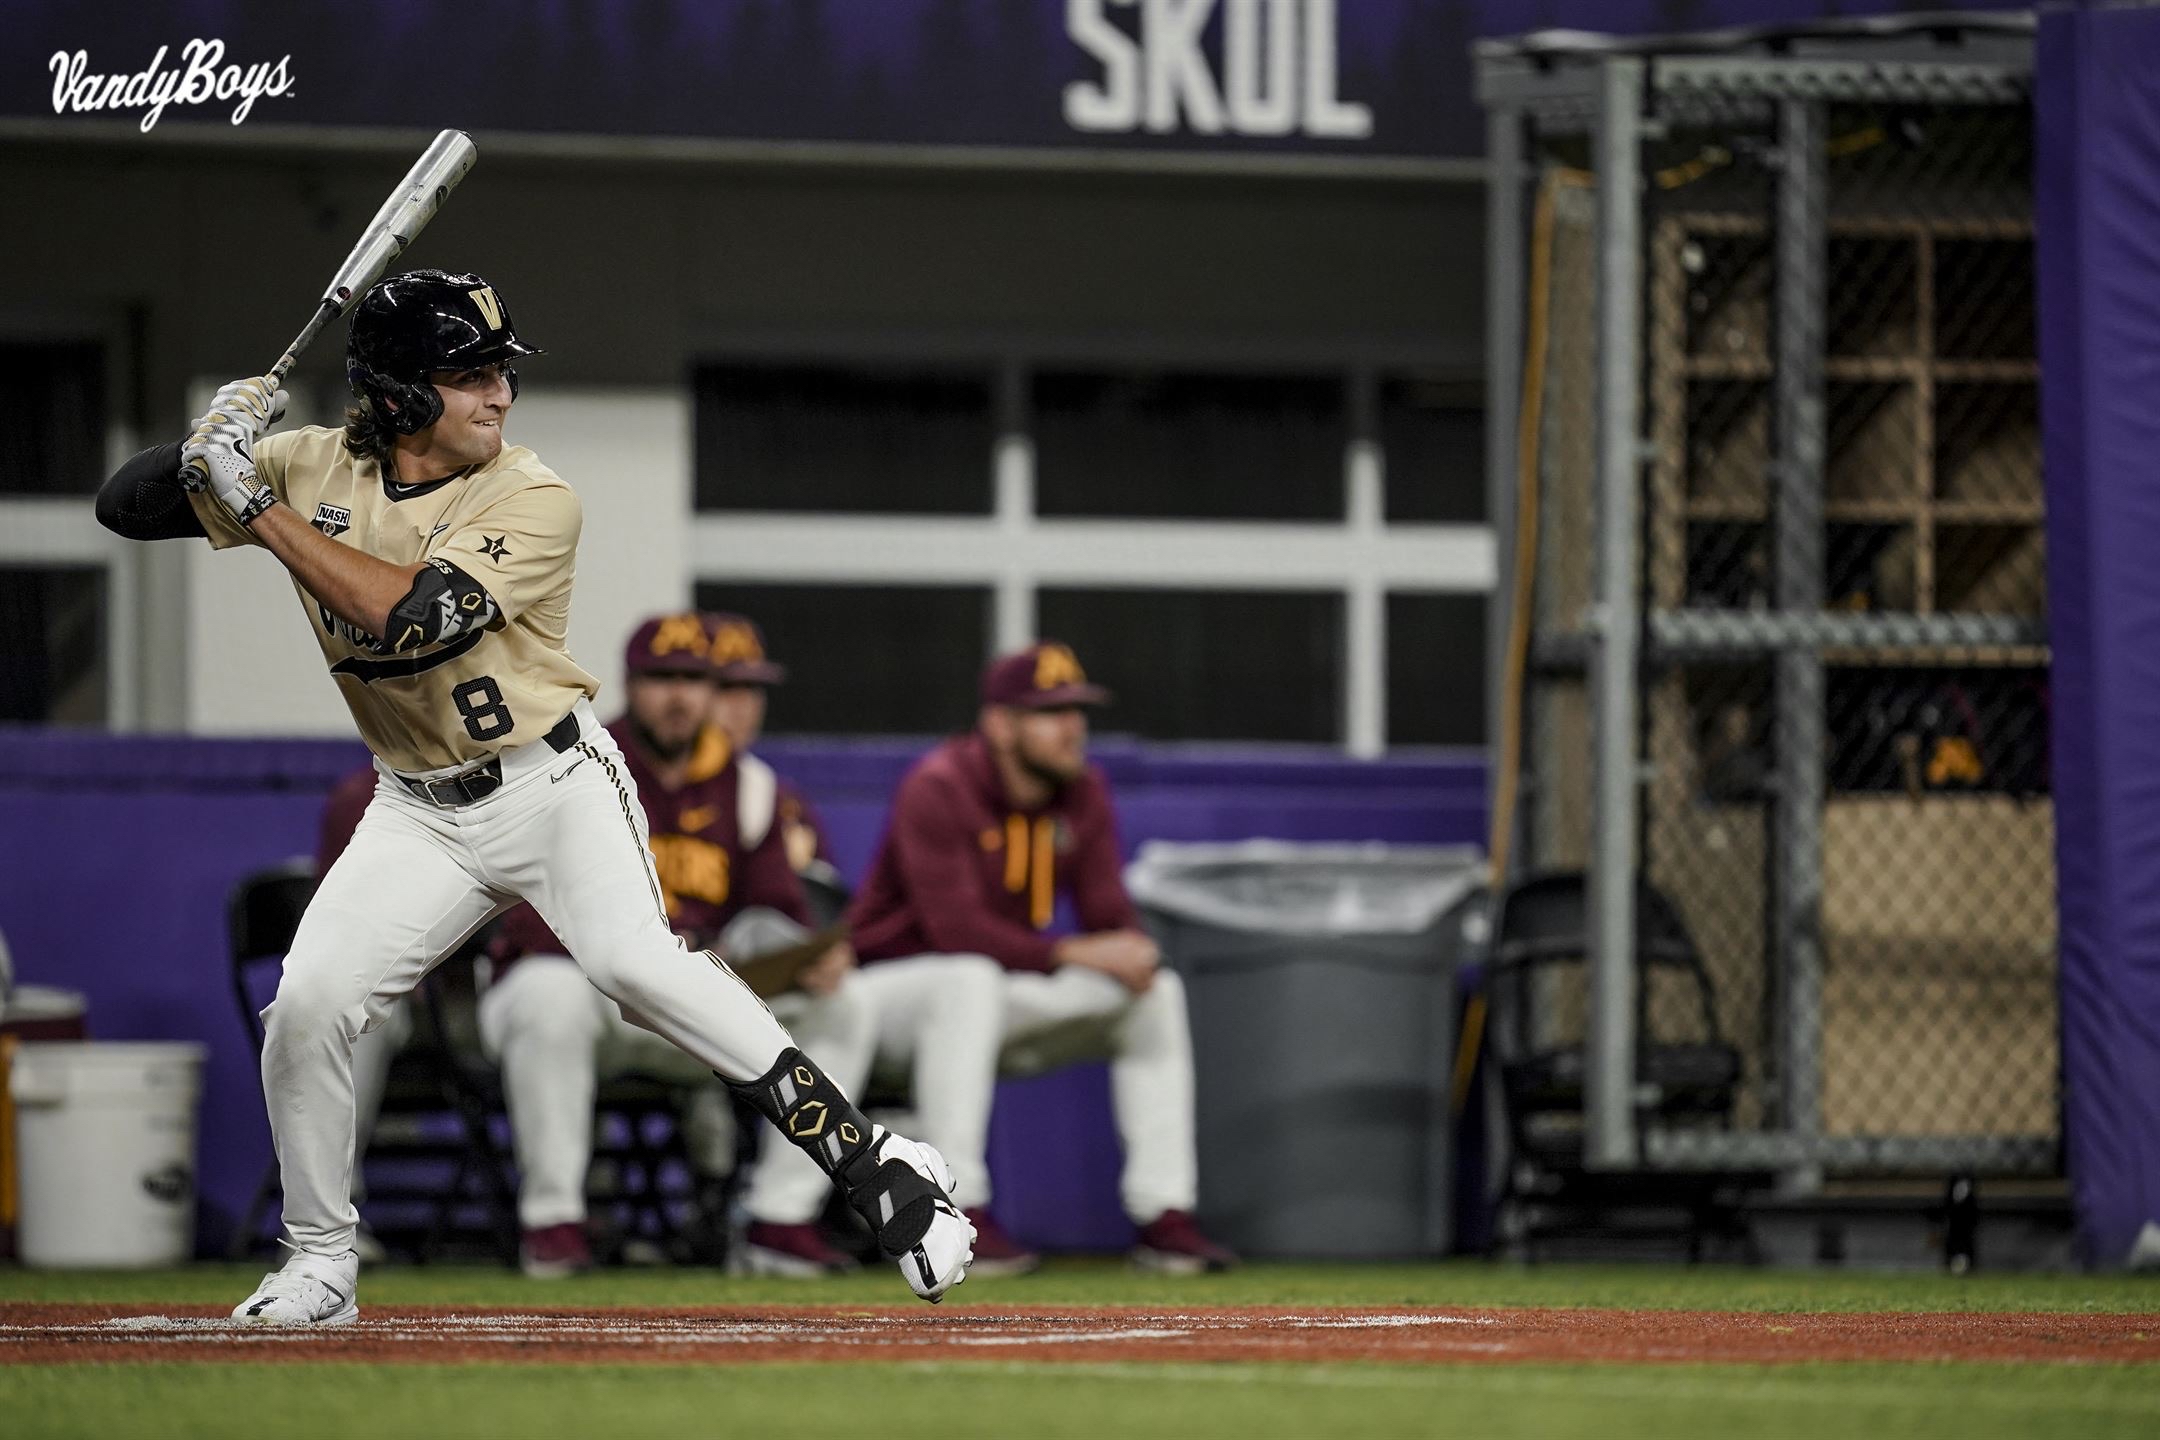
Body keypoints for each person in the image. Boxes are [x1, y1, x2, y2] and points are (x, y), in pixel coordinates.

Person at [93, 269, 972, 1323]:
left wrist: (258, 507)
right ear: (399, 393)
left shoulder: (533, 493)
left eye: (499, 373)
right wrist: (205, 442)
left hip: (550, 782)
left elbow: (411, 620)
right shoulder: (307, 467)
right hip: (417, 805)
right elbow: (124, 509)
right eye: (469, 377)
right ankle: (321, 1260)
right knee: (309, 1006)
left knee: (633, 967)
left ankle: (876, 1162)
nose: (498, 396)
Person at [478, 612, 872, 1278]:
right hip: (585, 992)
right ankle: (553, 1221)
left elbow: (771, 911)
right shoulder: (567, 764)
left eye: (695, 678)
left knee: (845, 1004)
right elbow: (522, 914)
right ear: (630, 685)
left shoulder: (750, 787)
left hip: (685, 1002)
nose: (680, 695)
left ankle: (780, 1218)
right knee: (549, 996)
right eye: (662, 678)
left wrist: (804, 956)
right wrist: (636, 941)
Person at [847, 642, 1236, 1273]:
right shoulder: (938, 785)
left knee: (1153, 991)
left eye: (1077, 710)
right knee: (967, 977)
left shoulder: (1081, 790)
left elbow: (1108, 911)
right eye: (1051, 712)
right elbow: (954, 931)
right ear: (1000, 725)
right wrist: (1078, 950)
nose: (1073, 727)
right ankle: (957, 1205)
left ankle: (1164, 1215)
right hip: (885, 1000)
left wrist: (1131, 950)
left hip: (995, 996)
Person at [699, 613, 1024, 1272]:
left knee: (915, 987)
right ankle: (765, 1212)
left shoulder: (772, 797)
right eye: (724, 688)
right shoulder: (620, 779)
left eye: (751, 690)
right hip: (682, 986)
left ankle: (942, 1198)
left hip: (778, 990)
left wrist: (816, 954)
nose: (740, 707)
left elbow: (805, 909)